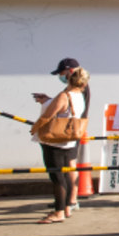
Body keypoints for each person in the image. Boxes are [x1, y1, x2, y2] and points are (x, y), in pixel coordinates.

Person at [30, 67, 89, 224]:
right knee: (65, 174)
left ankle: (58, 212)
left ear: (69, 79)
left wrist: (34, 128)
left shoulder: (64, 96)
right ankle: (67, 207)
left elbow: (48, 115)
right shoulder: (79, 96)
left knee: (57, 177)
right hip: (68, 140)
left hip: (53, 140)